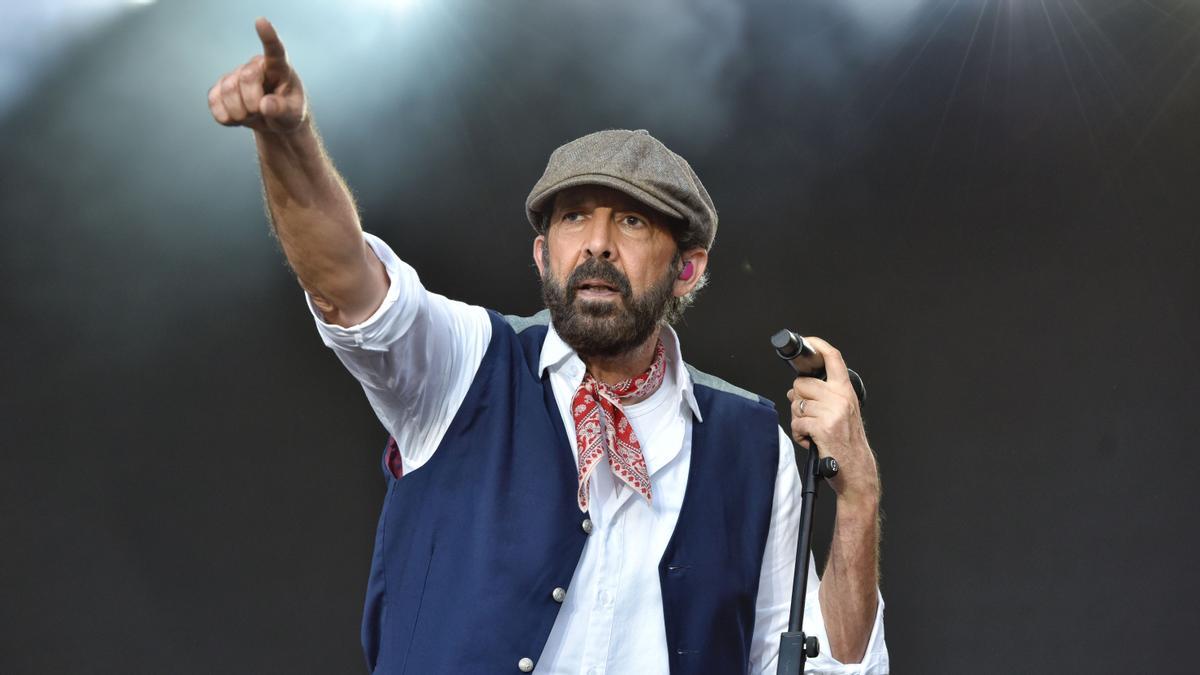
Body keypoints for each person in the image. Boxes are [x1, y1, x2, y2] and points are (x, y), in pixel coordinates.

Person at [208, 17, 889, 675]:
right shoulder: (466, 364)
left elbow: (822, 666)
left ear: (687, 267)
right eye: (573, 218)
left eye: (630, 220)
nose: (596, 243)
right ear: (542, 254)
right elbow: (344, 282)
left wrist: (856, 498)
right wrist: (288, 143)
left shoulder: (751, 446)